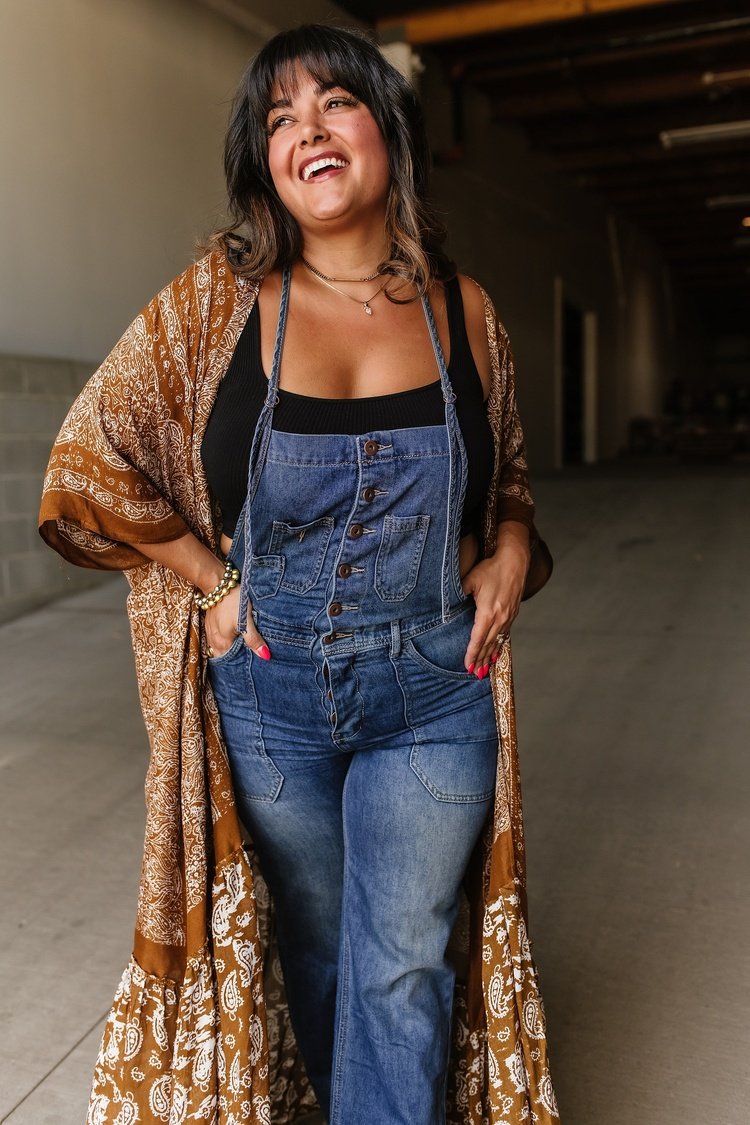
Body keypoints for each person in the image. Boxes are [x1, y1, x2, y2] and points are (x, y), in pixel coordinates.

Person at [40, 24, 557, 1125]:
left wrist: (512, 543)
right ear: (263, 161)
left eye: (334, 103)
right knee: (320, 951)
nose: (307, 130)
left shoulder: (464, 310)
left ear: (387, 131)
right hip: (271, 697)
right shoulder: (216, 305)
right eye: (280, 119)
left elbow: (507, 468)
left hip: (434, 688)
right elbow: (89, 453)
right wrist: (208, 579)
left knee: (401, 959)